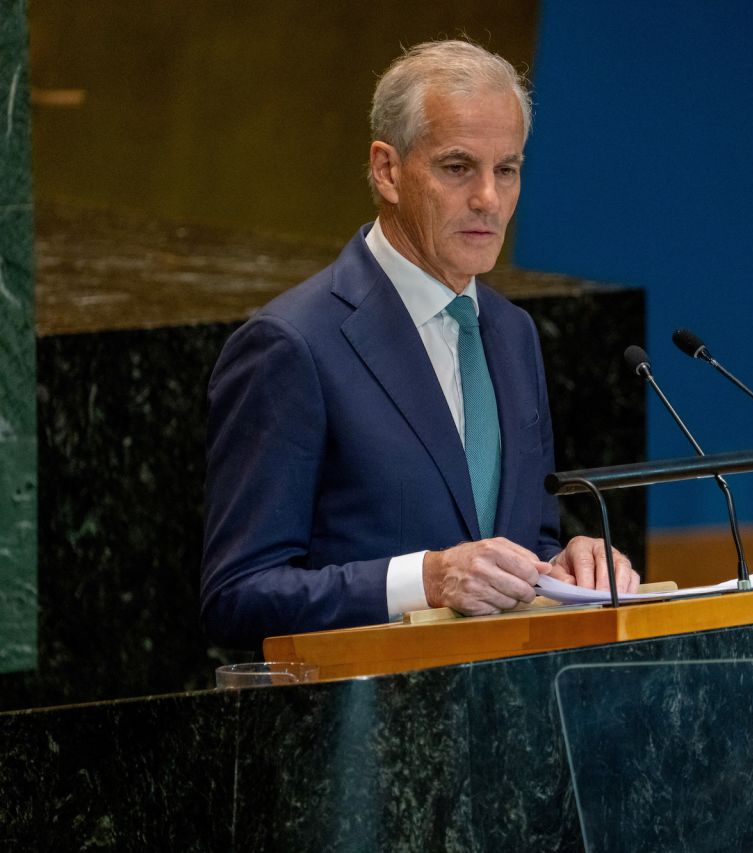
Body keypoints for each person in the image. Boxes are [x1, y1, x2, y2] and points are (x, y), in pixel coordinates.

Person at [200, 40, 637, 649]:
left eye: (506, 169)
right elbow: (238, 596)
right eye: (458, 167)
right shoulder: (291, 345)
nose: (488, 197)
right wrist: (423, 581)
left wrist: (568, 565)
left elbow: (518, 542)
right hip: (366, 729)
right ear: (387, 170)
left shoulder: (513, 333)